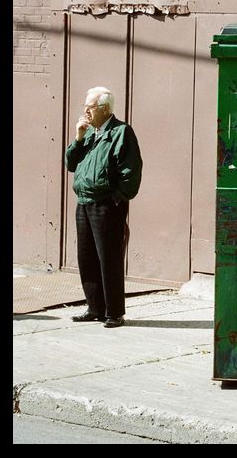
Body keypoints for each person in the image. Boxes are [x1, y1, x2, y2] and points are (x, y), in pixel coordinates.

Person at [65, 87, 143, 328]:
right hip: (85, 202)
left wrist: (117, 198)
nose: (85, 111)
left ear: (105, 109)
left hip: (107, 204)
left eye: (90, 106)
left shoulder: (121, 132)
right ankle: (95, 308)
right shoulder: (89, 133)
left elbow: (131, 170)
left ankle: (114, 312)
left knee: (108, 258)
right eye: (85, 106)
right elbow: (70, 163)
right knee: (86, 257)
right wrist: (78, 138)